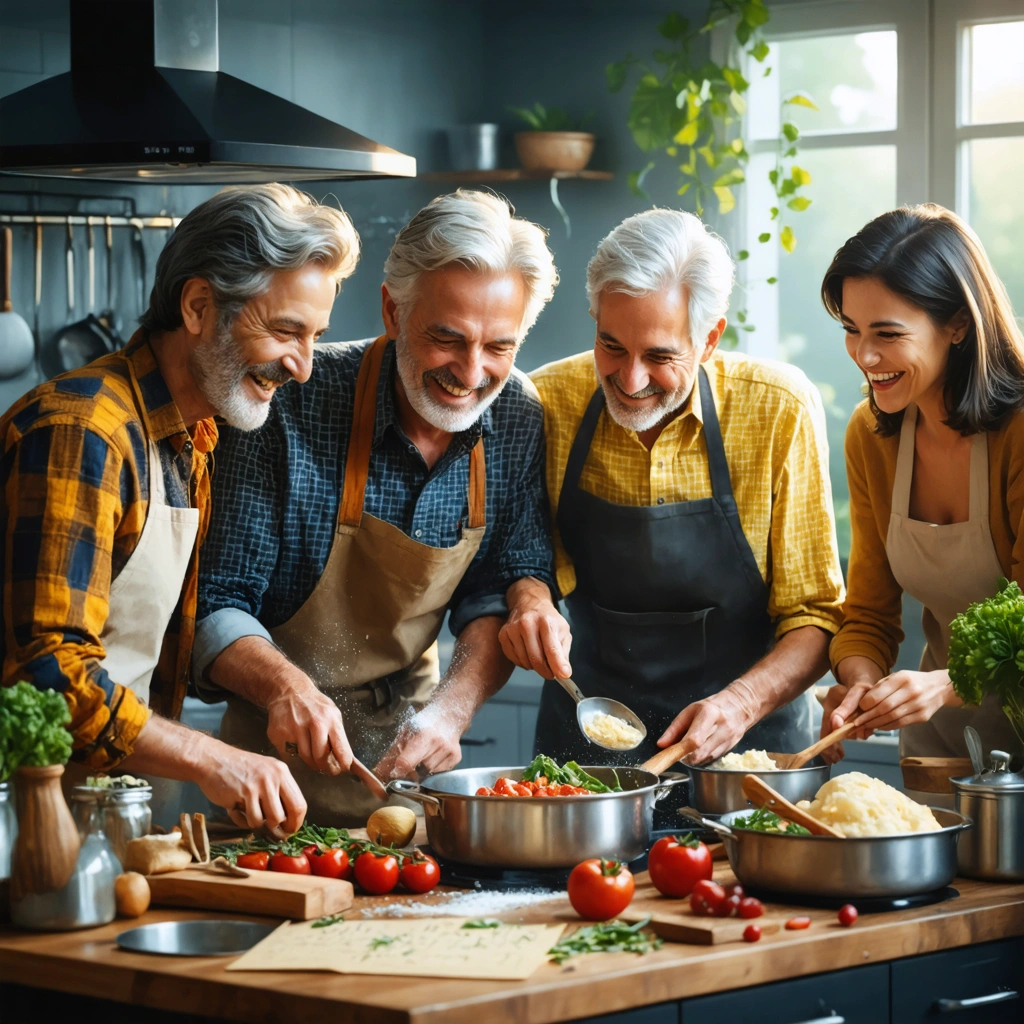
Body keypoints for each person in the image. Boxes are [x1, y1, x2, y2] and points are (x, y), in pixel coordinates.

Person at [193, 190, 565, 825]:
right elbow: (217, 600)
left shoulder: (517, 415)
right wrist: (289, 689)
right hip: (265, 778)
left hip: (407, 769)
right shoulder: (291, 401)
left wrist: (453, 709)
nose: (471, 373)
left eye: (499, 346)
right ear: (394, 310)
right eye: (446, 338)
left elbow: (496, 590)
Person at [0, 183, 361, 833]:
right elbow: (50, 675)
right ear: (198, 306)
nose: (303, 367)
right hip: (27, 826)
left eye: (315, 337)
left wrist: (282, 690)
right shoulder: (84, 431)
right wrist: (206, 756)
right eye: (286, 330)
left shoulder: (193, 436)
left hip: (103, 814)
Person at [512, 208, 845, 767]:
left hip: (750, 754)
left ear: (709, 338)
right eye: (611, 345)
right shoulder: (547, 401)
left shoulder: (778, 409)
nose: (631, 379)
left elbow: (816, 614)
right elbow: (525, 560)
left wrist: (740, 703)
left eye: (661, 356)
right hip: (589, 748)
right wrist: (530, 601)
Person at [819, 204, 1024, 771]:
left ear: (958, 323)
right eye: (852, 330)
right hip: (943, 747)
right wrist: (861, 683)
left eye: (888, 334)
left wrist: (945, 682)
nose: (865, 357)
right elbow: (867, 612)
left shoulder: (1020, 430)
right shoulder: (872, 434)